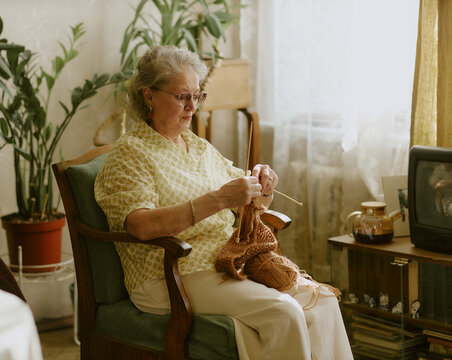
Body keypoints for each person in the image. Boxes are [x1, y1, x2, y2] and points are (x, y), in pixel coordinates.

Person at [95, 45, 352, 360]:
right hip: (171, 273)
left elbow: (248, 200)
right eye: (182, 97)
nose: (192, 107)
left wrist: (262, 184)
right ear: (149, 96)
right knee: (283, 313)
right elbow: (141, 225)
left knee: (323, 300)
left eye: (197, 96)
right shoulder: (131, 152)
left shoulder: (198, 147)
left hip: (225, 262)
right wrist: (217, 200)